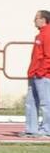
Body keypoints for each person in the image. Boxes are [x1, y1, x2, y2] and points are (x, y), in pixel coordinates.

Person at [25, 10, 50, 138]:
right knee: (31, 102)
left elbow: (48, 56)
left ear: (43, 19)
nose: (34, 21)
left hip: (43, 75)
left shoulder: (47, 34)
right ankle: (31, 129)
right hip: (34, 74)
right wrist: (31, 71)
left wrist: (41, 71)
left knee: (46, 103)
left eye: (36, 18)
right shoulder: (39, 35)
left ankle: (47, 129)